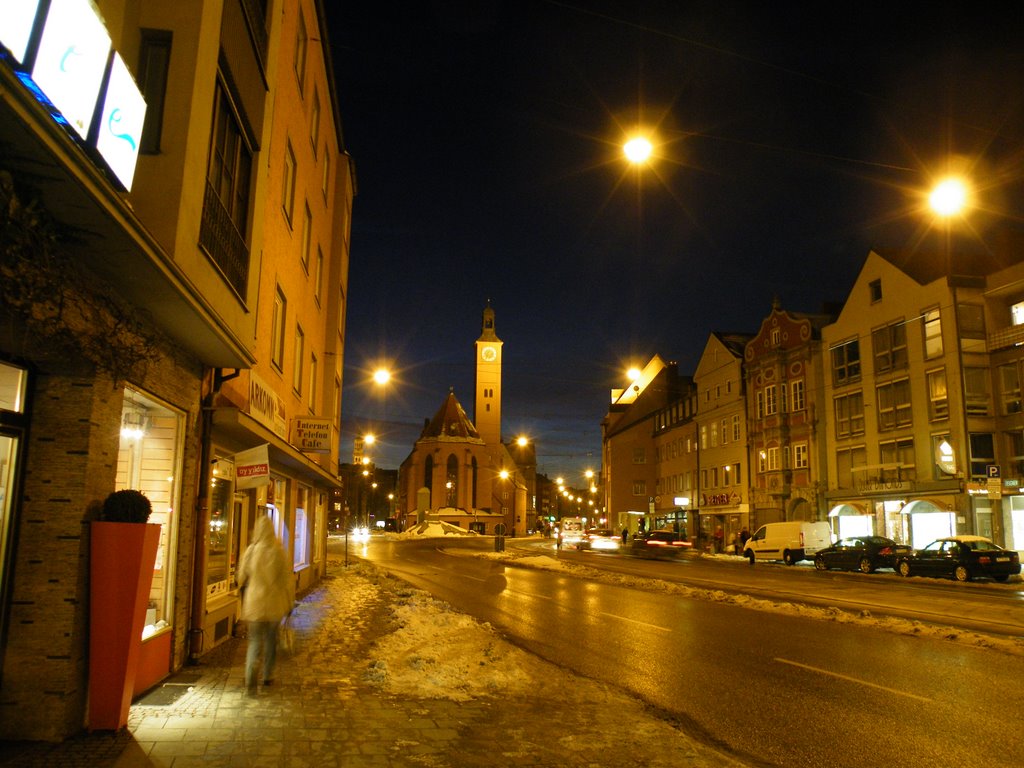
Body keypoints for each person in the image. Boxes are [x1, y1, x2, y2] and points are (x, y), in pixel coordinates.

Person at [237, 515, 294, 694]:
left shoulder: (251, 550)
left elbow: (241, 577)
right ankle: (268, 676)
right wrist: (289, 602)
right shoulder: (278, 552)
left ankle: (250, 678)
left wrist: (241, 586)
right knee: (270, 642)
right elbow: (286, 580)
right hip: (273, 604)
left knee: (254, 642)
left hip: (254, 603)